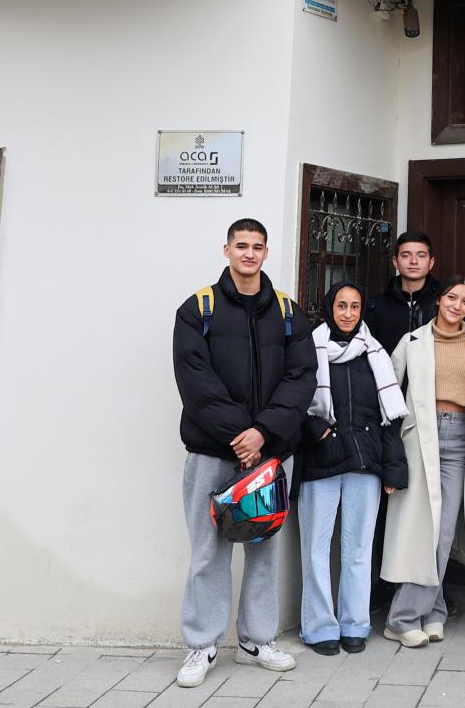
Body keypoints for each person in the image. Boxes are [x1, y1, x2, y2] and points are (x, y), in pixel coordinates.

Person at [169, 218, 318, 688]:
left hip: (270, 456)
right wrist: (242, 434)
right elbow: (195, 380)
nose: (249, 253)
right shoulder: (198, 309)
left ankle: (257, 641)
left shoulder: (289, 312)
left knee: (263, 549)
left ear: (266, 252)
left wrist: (264, 433)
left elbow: (302, 378)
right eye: (241, 246)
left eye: (257, 246)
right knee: (207, 552)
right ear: (227, 250)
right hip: (213, 452)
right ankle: (202, 644)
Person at [296, 282, 407, 655]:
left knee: (359, 548)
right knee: (316, 548)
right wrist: (316, 429)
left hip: (364, 462)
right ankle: (319, 628)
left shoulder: (374, 353)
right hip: (321, 459)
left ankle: (355, 623)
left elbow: (389, 417)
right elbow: (292, 399)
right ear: (329, 308)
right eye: (341, 306)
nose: (347, 313)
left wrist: (393, 468)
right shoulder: (309, 350)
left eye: (355, 306)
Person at [382, 275, 465, 649]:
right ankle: (410, 617)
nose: (457, 305)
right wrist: (390, 452)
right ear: (439, 300)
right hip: (419, 439)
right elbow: (387, 395)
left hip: (461, 438)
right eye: (452, 297)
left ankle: (423, 612)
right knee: (420, 529)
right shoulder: (411, 342)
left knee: (444, 531)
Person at [364, 231, 442, 352]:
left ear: (431, 263)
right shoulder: (376, 305)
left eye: (421, 256)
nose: (413, 261)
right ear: (395, 262)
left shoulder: (443, 302)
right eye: (406, 255)